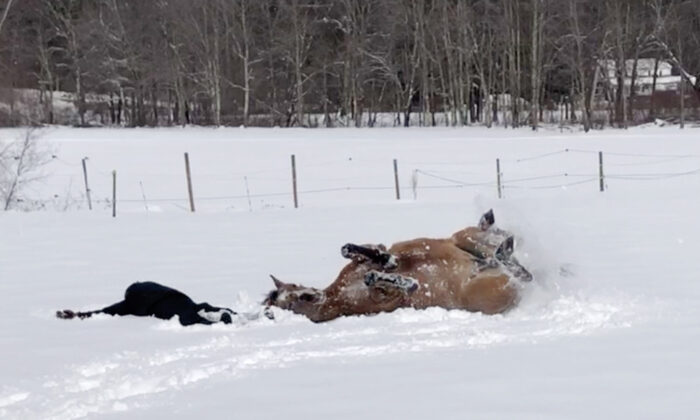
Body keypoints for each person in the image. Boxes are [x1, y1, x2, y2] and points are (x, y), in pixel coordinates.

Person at [56, 281, 238, 326]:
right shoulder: (151, 287)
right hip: (181, 299)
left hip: (165, 308)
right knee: (198, 308)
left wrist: (80, 315)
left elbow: (105, 311)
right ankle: (229, 314)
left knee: (191, 319)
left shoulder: (127, 303)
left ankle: (220, 322)